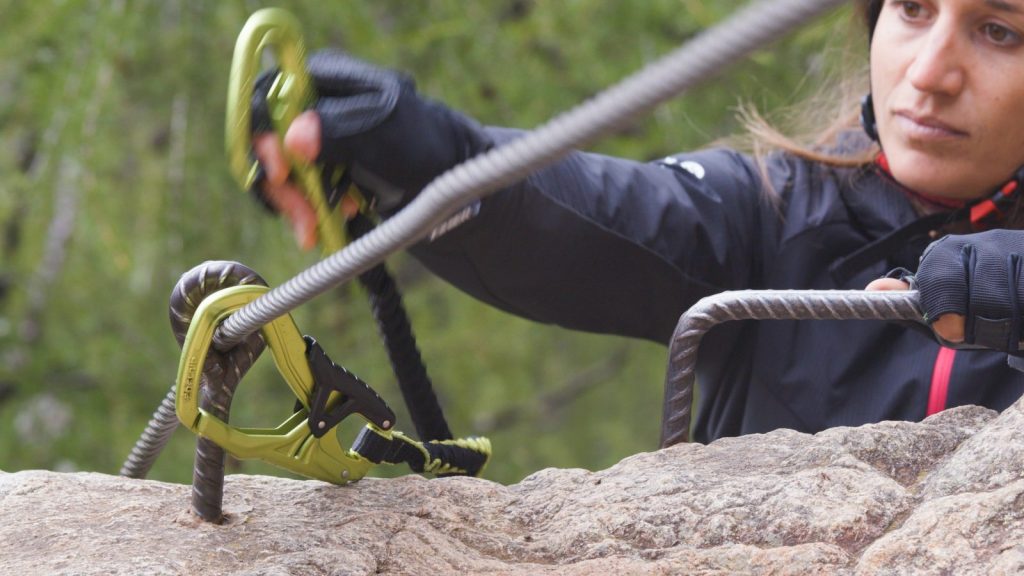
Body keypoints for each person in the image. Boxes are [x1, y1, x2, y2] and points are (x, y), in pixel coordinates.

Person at [252, 0, 1024, 443]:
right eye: (914, 8)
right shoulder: (771, 211)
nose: (928, 72)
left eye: (999, 30)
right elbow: (590, 213)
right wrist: (428, 157)